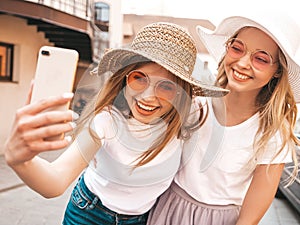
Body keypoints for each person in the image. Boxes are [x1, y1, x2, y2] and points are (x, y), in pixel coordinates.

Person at [4, 22, 227, 225]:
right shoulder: (106, 122)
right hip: (89, 213)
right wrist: (21, 161)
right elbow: (56, 181)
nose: (148, 96)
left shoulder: (184, 122)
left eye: (166, 87)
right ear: (124, 79)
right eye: (139, 78)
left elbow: (235, 104)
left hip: (141, 220)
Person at [147, 14, 300, 225]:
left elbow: (252, 212)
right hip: (168, 208)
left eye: (261, 59)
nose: (243, 62)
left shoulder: (272, 131)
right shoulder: (196, 102)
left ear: (277, 71)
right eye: (237, 48)